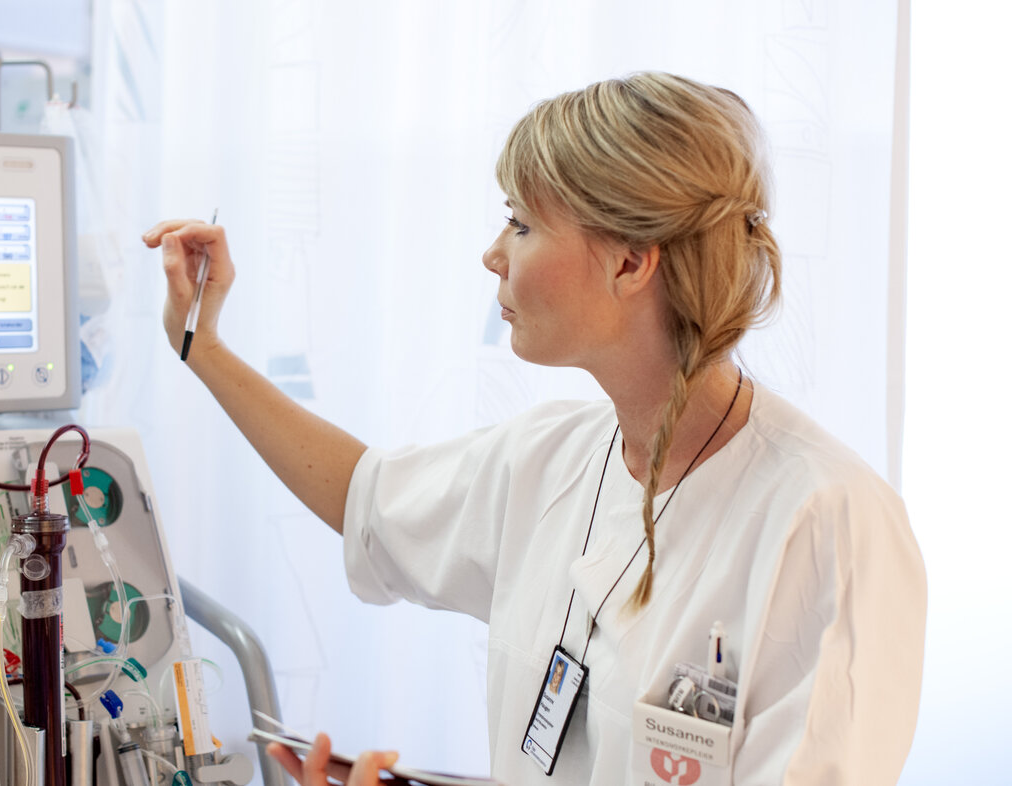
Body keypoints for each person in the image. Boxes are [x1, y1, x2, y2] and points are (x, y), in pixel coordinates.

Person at [142, 72, 925, 786]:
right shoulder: (551, 459)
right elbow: (366, 500)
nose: (492, 255)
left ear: (629, 264)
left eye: (520, 224)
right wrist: (200, 348)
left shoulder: (826, 522)